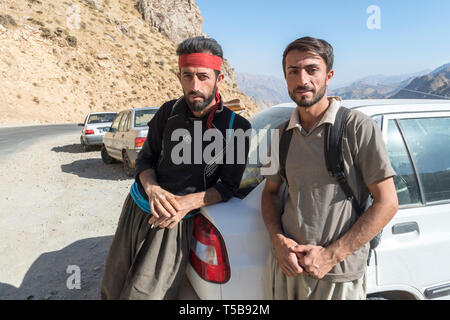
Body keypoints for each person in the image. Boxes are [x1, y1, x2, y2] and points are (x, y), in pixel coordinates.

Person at [101, 36, 251, 300]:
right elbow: (145, 160)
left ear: (219, 78)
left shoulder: (236, 128)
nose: (195, 86)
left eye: (203, 77)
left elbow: (227, 186)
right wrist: (153, 189)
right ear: (179, 76)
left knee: (144, 295)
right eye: (187, 76)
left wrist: (184, 204)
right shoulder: (167, 112)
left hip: (173, 222)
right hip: (137, 209)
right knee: (112, 286)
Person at [261, 36, 399, 300]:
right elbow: (269, 193)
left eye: (312, 70)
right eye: (293, 71)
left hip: (337, 275)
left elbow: (388, 202)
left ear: (328, 75)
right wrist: (278, 241)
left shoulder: (357, 127)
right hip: (288, 270)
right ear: (285, 77)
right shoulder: (280, 135)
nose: (302, 80)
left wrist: (330, 256)